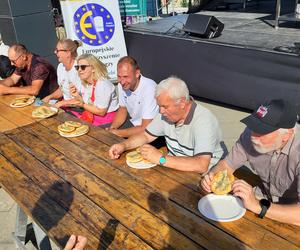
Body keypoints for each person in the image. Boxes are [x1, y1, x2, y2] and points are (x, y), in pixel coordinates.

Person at [201, 99, 300, 226]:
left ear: (286, 135)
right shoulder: (250, 135)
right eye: (254, 126)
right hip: (262, 197)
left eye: (262, 131)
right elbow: (226, 165)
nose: (253, 136)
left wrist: (258, 206)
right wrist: (210, 179)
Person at [109, 76, 225, 172]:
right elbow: (146, 136)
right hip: (174, 169)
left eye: (165, 106)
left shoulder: (204, 121)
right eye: (159, 106)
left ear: (183, 103)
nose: (160, 111)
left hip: (206, 178)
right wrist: (123, 146)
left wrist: (161, 159)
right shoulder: (166, 115)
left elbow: (201, 165)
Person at [107, 56, 159, 137]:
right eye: (119, 76)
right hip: (135, 124)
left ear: (137, 73)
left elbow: (147, 127)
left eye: (125, 76)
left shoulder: (150, 88)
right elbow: (122, 109)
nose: (122, 81)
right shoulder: (122, 84)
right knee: (102, 134)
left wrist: (118, 133)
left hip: (151, 132)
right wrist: (112, 128)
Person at [68, 54, 119, 127]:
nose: (79, 70)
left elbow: (101, 112)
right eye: (77, 67)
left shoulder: (102, 84)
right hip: (93, 116)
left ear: (93, 68)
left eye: (83, 67)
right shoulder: (88, 83)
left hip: (106, 120)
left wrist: (82, 105)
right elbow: (88, 104)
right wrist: (77, 96)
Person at [42, 39, 82, 107]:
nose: (55, 52)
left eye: (57, 50)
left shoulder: (80, 69)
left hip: (81, 109)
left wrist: (61, 103)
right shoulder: (60, 67)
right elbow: (62, 89)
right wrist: (49, 97)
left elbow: (83, 98)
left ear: (68, 53)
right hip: (67, 106)